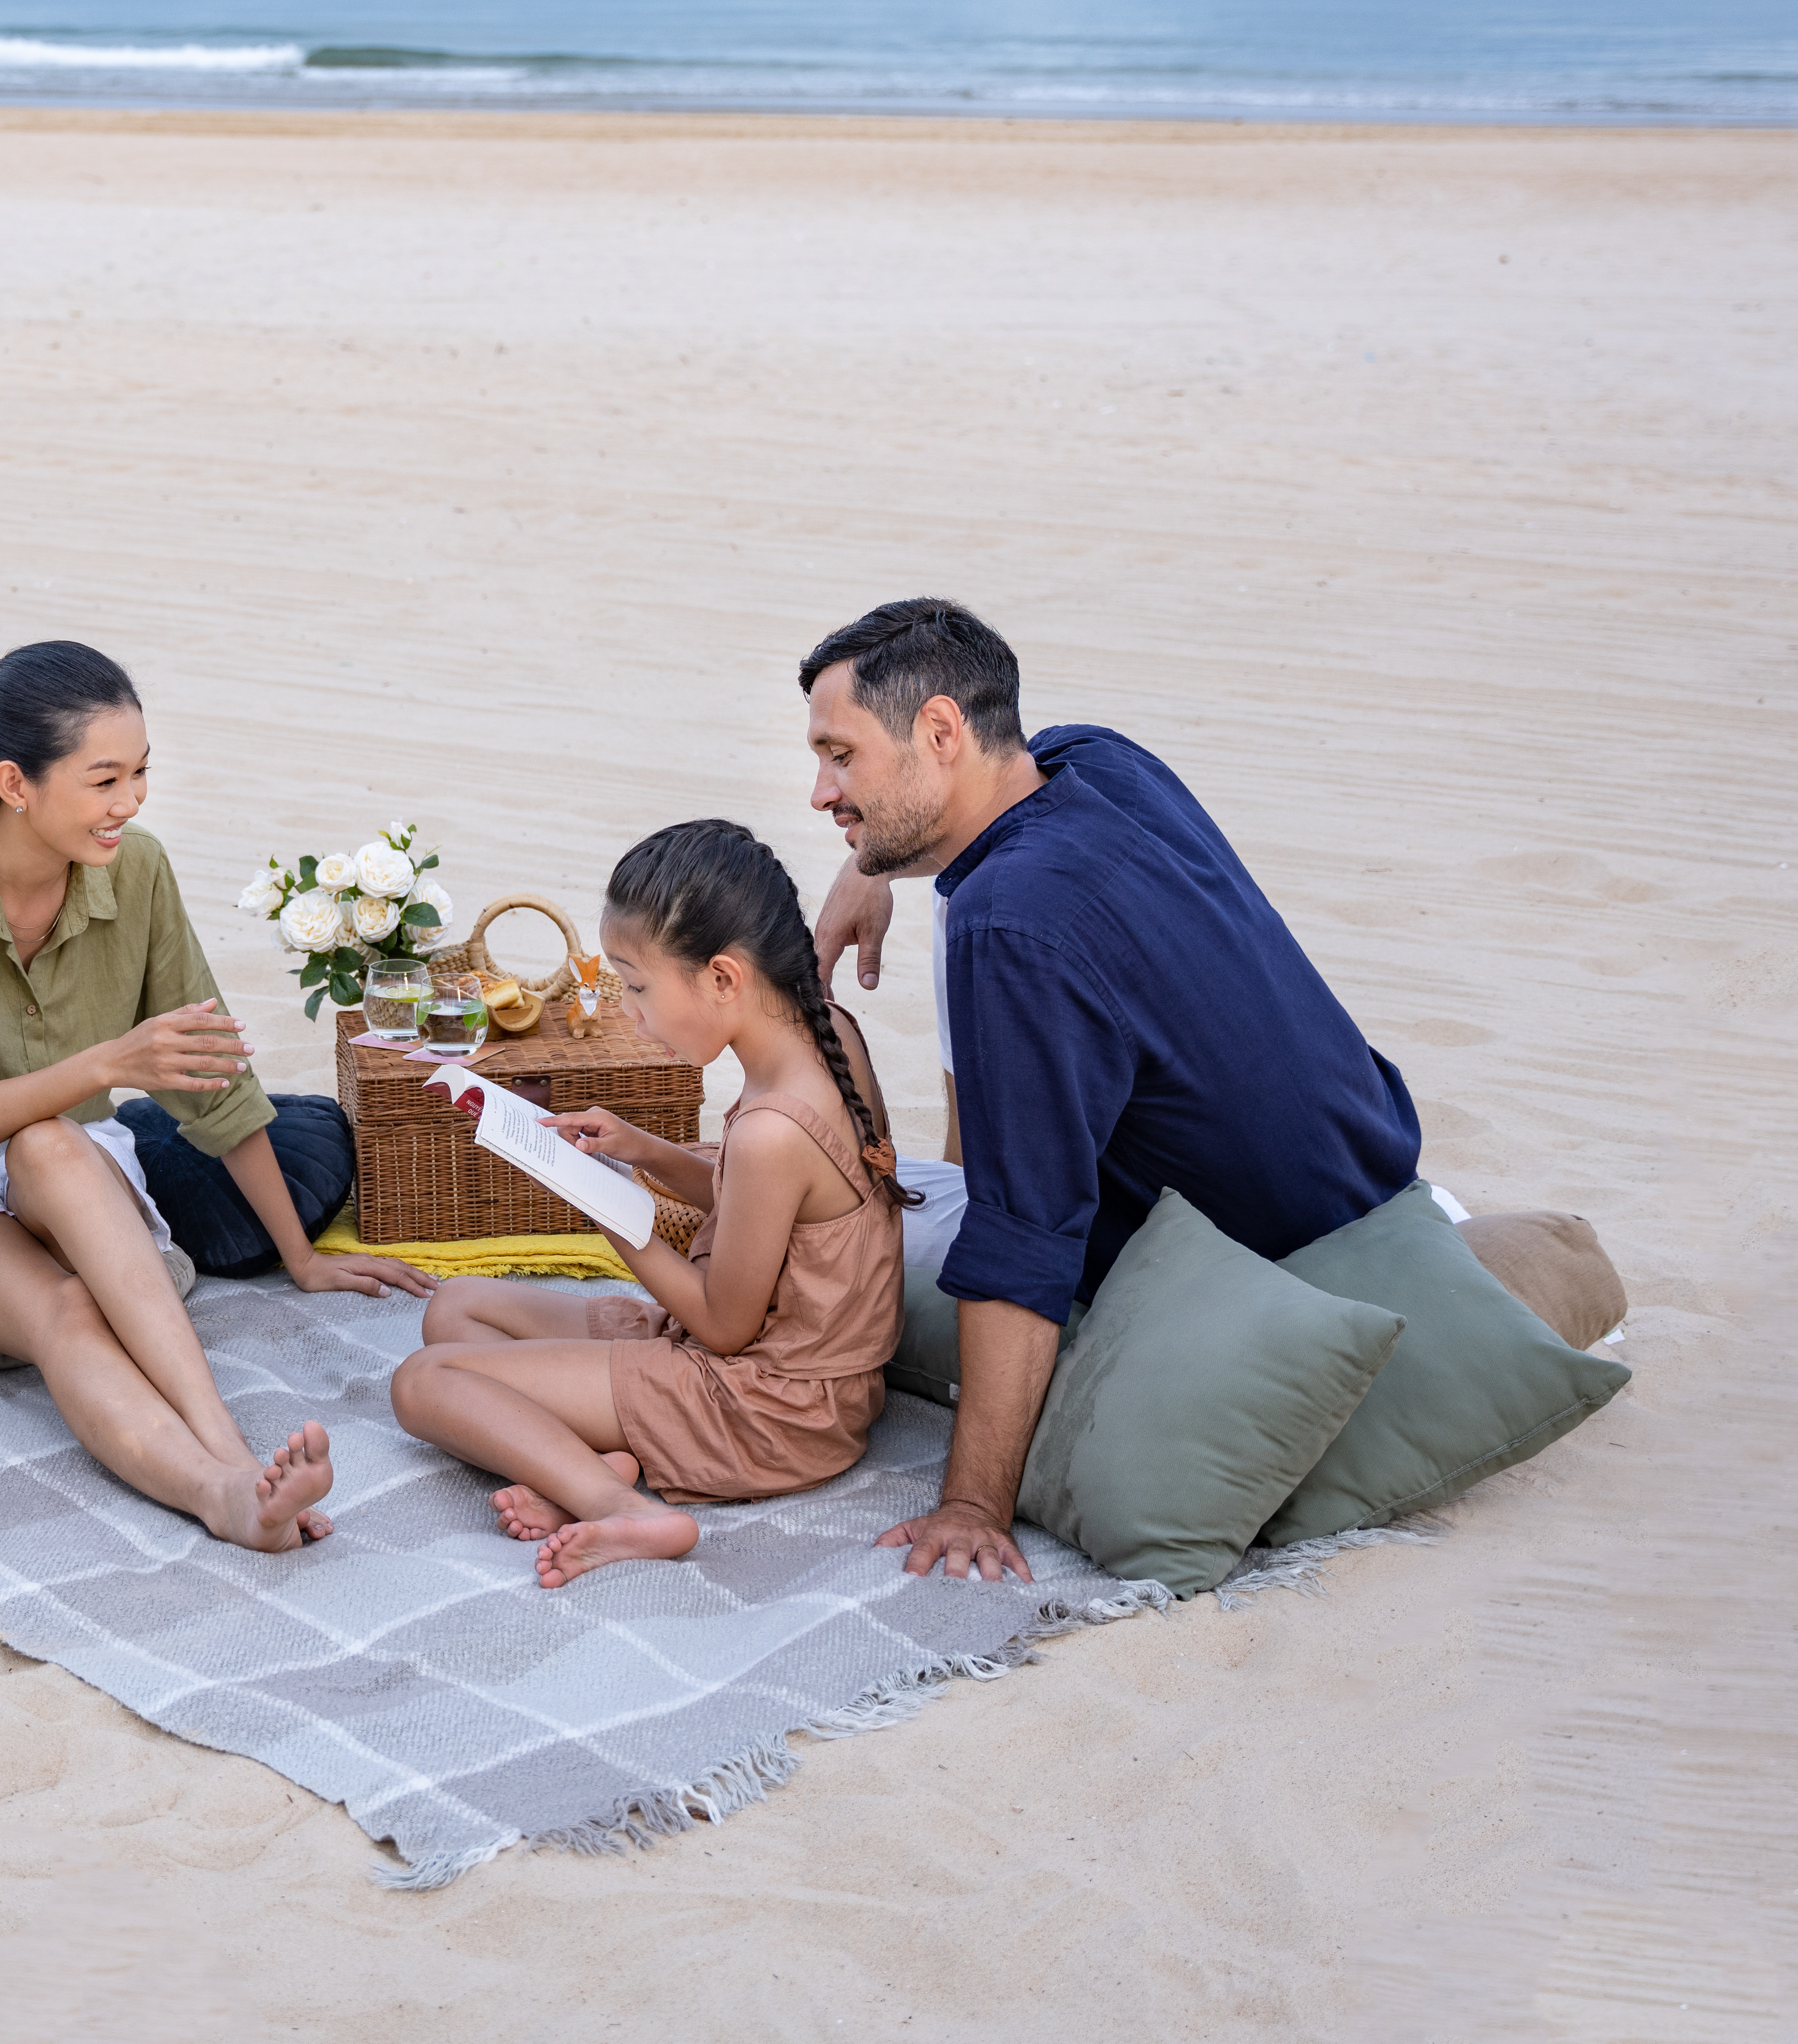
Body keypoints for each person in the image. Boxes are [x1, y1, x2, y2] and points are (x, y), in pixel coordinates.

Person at [798, 599, 1422, 1583]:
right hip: (1370, 1166)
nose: (820, 791)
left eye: (842, 757)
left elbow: (1026, 1234)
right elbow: (989, 825)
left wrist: (971, 1504)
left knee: (835, 1242)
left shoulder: (1015, 926)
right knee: (969, 892)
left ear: (942, 731)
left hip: (1255, 1272)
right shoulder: (1099, 762)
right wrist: (875, 866)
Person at [0, 641, 433, 1554]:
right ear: (15, 783)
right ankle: (223, 1492)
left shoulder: (139, 870)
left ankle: (230, 1447)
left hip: (70, 1160)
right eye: (104, 779)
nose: (132, 802)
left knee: (49, 1142)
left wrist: (300, 1257)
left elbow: (215, 1080)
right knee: (64, 1312)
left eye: (142, 772)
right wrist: (108, 1061)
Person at [389, 821, 914, 1587]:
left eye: (637, 987)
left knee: (424, 1382)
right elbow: (764, 1213)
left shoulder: (775, 1130)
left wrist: (616, 1219)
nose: (631, 1013)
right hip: (760, 1368)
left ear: (723, 979)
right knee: (455, 1310)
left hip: (767, 1410)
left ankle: (615, 1504)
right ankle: (593, 1458)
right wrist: (641, 1149)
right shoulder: (822, 1034)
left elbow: (725, 1327)